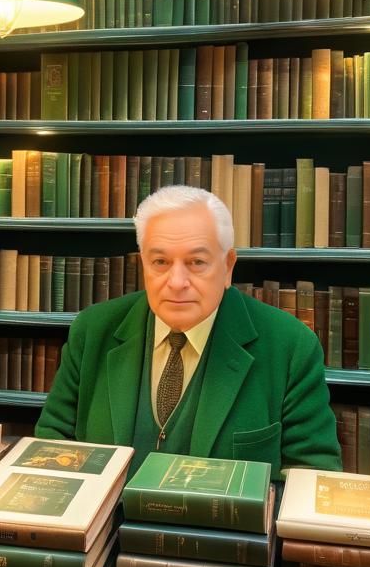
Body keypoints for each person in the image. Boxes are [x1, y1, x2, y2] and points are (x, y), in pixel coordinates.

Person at [35, 185, 342, 475]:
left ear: (228, 266)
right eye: (160, 262)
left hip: (225, 530)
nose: (177, 282)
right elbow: (51, 445)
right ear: (143, 263)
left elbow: (310, 475)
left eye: (196, 262)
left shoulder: (290, 346)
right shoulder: (92, 331)